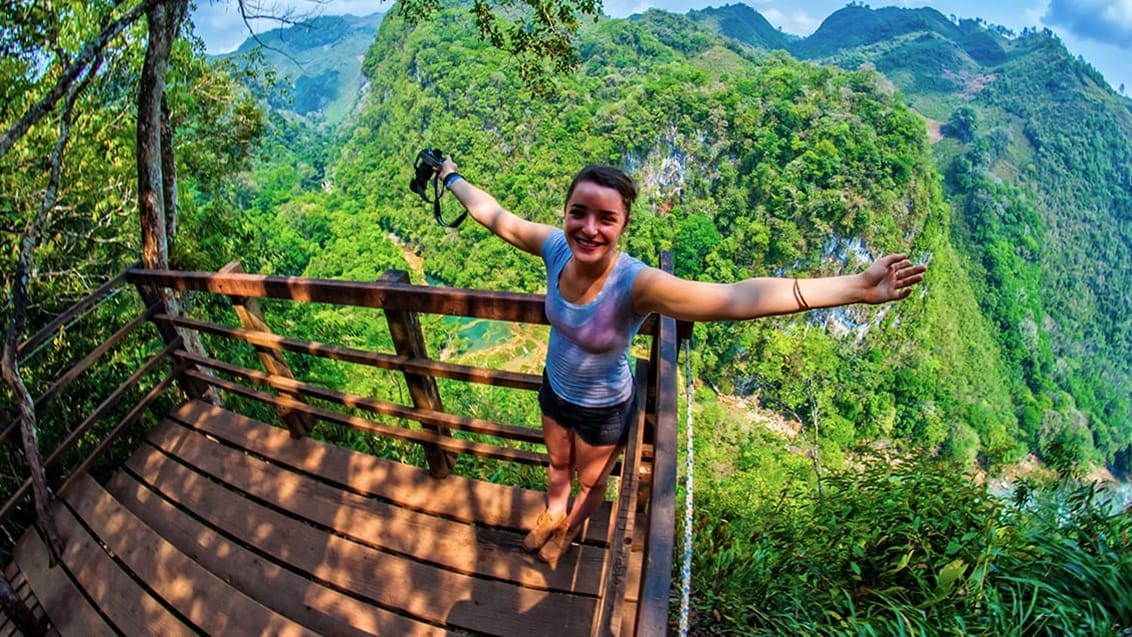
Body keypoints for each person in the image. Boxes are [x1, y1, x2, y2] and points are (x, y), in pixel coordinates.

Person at [433, 159, 926, 567]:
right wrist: (451, 177)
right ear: (565, 213)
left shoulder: (637, 283)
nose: (589, 228)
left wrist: (856, 287)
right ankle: (551, 517)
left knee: (590, 480)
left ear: (624, 225)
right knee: (557, 466)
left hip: (604, 406)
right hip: (554, 388)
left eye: (606, 218)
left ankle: (568, 534)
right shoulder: (555, 248)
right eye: (578, 213)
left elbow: (734, 297)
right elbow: (494, 215)